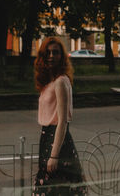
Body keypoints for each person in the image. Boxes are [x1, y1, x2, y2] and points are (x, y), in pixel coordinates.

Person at [32, 36, 87, 196]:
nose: (51, 56)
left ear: (61, 56)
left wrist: (54, 155)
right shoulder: (51, 81)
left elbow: (62, 121)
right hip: (48, 139)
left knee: (55, 190)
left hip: (57, 141)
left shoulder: (60, 82)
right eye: (47, 53)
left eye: (55, 53)